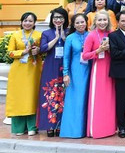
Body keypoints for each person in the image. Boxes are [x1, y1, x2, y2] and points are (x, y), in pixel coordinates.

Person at [6, 12, 43, 136]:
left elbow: (44, 51)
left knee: (32, 96)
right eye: (25, 21)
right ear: (21, 22)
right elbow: (10, 53)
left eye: (30, 21)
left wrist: (37, 50)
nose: (27, 23)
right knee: (18, 97)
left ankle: (33, 126)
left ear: (35, 23)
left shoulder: (39, 35)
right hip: (18, 70)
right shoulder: (15, 35)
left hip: (33, 69)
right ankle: (18, 128)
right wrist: (23, 52)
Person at [81, 11, 116, 138]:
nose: (102, 23)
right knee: (98, 100)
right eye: (100, 20)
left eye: (104, 20)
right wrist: (98, 50)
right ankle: (96, 129)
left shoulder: (112, 34)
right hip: (98, 70)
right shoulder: (91, 36)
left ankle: (109, 128)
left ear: (108, 21)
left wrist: (110, 49)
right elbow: (85, 56)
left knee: (110, 100)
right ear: (95, 21)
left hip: (111, 70)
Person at [37, 8, 69, 136]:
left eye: (61, 17)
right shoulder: (46, 33)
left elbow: (73, 48)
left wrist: (64, 37)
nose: (58, 20)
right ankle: (50, 125)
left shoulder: (68, 31)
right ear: (52, 19)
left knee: (63, 95)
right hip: (50, 66)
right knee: (50, 94)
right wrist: (56, 38)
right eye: (55, 17)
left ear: (65, 19)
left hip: (65, 67)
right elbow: (43, 49)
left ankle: (61, 125)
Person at [60, 14, 90, 138]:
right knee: (76, 100)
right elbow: (66, 57)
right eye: (77, 23)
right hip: (75, 71)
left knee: (88, 99)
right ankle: (73, 131)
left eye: (82, 22)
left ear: (86, 22)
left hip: (90, 70)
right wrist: (65, 74)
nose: (80, 25)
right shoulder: (70, 38)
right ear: (73, 25)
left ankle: (87, 130)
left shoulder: (91, 35)